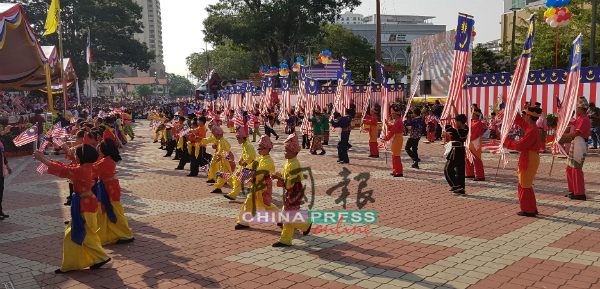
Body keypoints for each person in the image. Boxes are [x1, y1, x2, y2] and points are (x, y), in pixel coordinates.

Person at [33, 145, 111, 273]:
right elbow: (65, 167)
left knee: (83, 234)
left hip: (85, 204)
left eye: (76, 154)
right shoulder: (85, 167)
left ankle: (101, 257)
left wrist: (43, 159)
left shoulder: (83, 170)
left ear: (82, 156)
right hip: (84, 202)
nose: (74, 156)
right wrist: (44, 158)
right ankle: (75, 263)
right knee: (78, 234)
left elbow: (63, 170)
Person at [271, 133, 311, 247]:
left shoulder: (295, 164)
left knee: (289, 216)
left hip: (294, 192)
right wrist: (279, 174)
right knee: (286, 214)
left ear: (294, 152)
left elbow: (290, 180)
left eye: (286, 151)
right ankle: (285, 239)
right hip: (290, 191)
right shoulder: (289, 162)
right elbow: (286, 175)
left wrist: (278, 177)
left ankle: (305, 225)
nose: (285, 153)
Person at [93, 138, 134, 244]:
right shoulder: (106, 159)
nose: (99, 150)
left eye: (100, 148)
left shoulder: (106, 161)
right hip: (108, 186)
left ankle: (125, 234)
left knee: (114, 209)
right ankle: (114, 233)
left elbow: (90, 170)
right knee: (107, 210)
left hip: (109, 187)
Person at [504, 105, 542, 217]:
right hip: (528, 157)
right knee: (525, 184)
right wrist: (512, 107)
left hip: (529, 159)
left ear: (529, 117)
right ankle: (531, 208)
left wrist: (507, 143)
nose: (523, 116)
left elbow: (520, 145)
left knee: (524, 185)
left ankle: (528, 210)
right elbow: (519, 121)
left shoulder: (532, 131)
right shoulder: (531, 127)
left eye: (525, 115)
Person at [235, 135, 280, 230]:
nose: (259, 150)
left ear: (267, 149)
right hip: (257, 184)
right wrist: (243, 171)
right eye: (258, 148)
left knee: (266, 205)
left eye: (261, 148)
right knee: (248, 202)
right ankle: (243, 222)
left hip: (264, 186)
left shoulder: (268, 161)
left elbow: (258, 172)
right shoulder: (261, 158)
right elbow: (252, 166)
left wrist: (244, 173)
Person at [564, 97, 592, 201]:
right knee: (569, 167)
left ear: (581, 108)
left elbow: (576, 133)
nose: (576, 110)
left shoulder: (584, 120)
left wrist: (563, 136)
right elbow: (571, 122)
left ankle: (580, 193)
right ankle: (573, 190)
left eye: (577, 108)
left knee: (576, 168)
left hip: (580, 143)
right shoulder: (580, 118)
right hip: (576, 142)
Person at [224, 127, 256, 200]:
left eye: (238, 138)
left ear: (242, 138)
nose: (237, 140)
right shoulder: (244, 144)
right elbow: (243, 153)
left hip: (249, 165)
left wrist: (244, 162)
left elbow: (251, 156)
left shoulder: (248, 145)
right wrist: (241, 159)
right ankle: (234, 194)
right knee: (242, 180)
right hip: (245, 165)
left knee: (242, 180)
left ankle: (234, 195)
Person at [202, 125, 234, 194]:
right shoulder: (221, 140)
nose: (215, 138)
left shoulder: (222, 141)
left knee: (228, 175)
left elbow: (226, 150)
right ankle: (218, 188)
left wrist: (221, 156)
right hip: (223, 160)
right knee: (222, 174)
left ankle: (236, 188)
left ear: (220, 134)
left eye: (216, 136)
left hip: (225, 161)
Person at [444, 115, 469, 194]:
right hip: (460, 151)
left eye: (456, 122)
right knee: (460, 170)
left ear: (460, 122)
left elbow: (449, 128)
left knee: (447, 169)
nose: (455, 123)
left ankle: (456, 185)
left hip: (456, 151)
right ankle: (461, 187)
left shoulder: (460, 131)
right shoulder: (465, 128)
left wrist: (448, 122)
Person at [383, 105, 404, 177]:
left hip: (397, 138)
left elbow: (392, 132)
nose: (391, 115)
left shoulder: (398, 121)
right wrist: (388, 126)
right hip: (396, 138)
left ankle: (399, 172)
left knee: (396, 156)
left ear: (395, 114)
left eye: (392, 114)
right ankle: (395, 171)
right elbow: (392, 129)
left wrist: (386, 138)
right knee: (394, 155)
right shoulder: (397, 121)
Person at [466, 108, 486, 181]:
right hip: (470, 141)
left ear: (475, 114)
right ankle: (470, 173)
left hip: (475, 142)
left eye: (472, 114)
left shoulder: (479, 123)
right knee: (468, 158)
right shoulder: (471, 122)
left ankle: (480, 175)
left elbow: (477, 133)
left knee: (476, 159)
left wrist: (468, 139)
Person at [0, 125, 13, 220]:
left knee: (1, 191)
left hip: (1, 171)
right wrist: (4, 132)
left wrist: (7, 164)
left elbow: (2, 154)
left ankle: (0, 210)